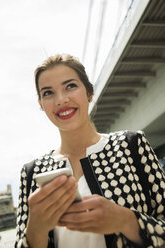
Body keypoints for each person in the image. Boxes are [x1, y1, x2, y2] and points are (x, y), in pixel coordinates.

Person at [15, 54, 165, 248]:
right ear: (41, 104)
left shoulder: (132, 145)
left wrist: (126, 220)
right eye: (48, 93)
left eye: (70, 86)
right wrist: (36, 230)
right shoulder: (32, 173)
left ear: (89, 92)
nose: (61, 100)